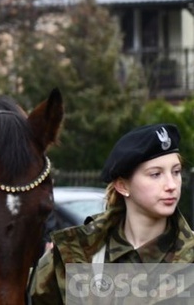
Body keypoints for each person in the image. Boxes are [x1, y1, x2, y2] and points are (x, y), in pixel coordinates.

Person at [30, 123, 194, 304]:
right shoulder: (75, 254)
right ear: (122, 185)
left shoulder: (189, 255)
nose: (171, 185)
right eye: (155, 174)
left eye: (176, 172)